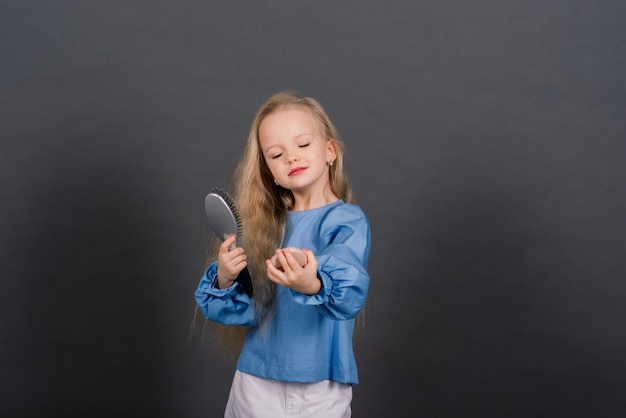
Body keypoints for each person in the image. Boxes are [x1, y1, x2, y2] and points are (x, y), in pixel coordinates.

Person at [195, 91, 371, 418]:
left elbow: (349, 289)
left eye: (303, 145)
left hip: (318, 385)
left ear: (330, 151)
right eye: (276, 154)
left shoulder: (346, 221)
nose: (291, 157)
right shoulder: (263, 227)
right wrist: (225, 277)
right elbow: (245, 311)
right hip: (254, 382)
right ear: (268, 171)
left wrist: (313, 282)